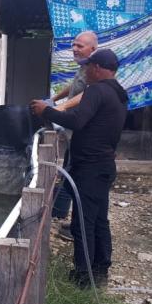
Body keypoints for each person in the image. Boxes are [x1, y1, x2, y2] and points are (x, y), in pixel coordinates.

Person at [29, 49, 127, 288]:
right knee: (99, 219)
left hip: (90, 168)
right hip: (104, 165)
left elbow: (77, 121)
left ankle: (83, 277)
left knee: (82, 223)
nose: (84, 71)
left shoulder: (95, 91)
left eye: (87, 67)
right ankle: (100, 268)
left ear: (96, 68)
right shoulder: (119, 93)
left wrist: (46, 111)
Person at [51, 31, 98, 228]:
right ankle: (59, 212)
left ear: (93, 49)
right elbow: (75, 86)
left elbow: (88, 93)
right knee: (69, 168)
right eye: (74, 45)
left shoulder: (96, 68)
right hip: (74, 131)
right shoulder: (83, 66)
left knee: (76, 174)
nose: (74, 49)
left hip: (84, 131)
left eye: (80, 46)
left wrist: (62, 107)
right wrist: (54, 99)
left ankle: (76, 225)